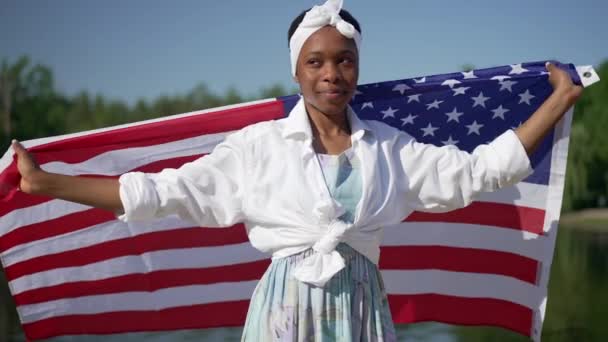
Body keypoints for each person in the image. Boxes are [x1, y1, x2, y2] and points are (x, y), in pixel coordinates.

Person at [11, 0, 583, 341]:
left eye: (344, 60)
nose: (331, 73)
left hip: (361, 307)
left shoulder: (388, 148)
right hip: (287, 309)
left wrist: (556, 103)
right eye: (316, 62)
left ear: (358, 68)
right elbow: (162, 192)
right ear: (298, 72)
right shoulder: (259, 147)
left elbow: (477, 172)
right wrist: (45, 183)